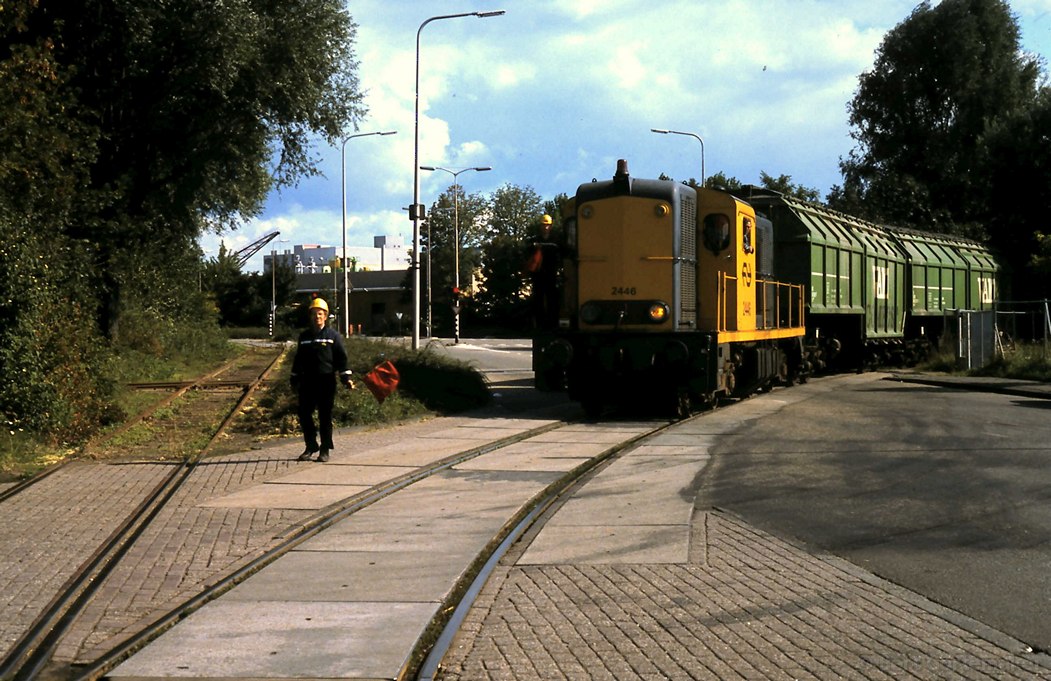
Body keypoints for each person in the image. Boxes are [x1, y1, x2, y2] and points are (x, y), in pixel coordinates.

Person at [290, 297, 354, 462]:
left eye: (320, 314)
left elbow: (341, 358)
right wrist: (294, 379)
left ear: (325, 316)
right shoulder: (304, 337)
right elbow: (298, 360)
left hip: (326, 383)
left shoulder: (333, 336)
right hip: (307, 382)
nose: (317, 317)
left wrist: (346, 378)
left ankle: (325, 449)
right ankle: (311, 445)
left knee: (325, 416)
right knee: (304, 414)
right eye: (314, 314)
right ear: (310, 316)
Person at [527, 214, 561, 330]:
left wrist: (542, 246)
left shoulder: (555, 239)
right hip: (538, 274)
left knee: (552, 299)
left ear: (550, 226)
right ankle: (539, 324)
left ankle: (553, 323)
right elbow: (528, 249)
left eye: (547, 225)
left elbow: (558, 248)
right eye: (543, 225)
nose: (545, 228)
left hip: (551, 273)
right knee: (538, 299)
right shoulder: (535, 240)